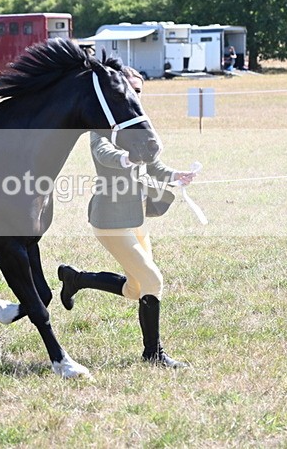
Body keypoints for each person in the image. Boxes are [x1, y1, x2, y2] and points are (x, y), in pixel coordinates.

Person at [58, 65, 197, 369]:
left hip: (137, 219)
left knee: (136, 289)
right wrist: (126, 157)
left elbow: (154, 165)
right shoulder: (102, 127)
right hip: (109, 221)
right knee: (152, 280)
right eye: (131, 90)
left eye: (139, 91)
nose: (135, 96)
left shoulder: (137, 126)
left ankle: (77, 278)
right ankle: (153, 353)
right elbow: (103, 152)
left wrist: (177, 175)